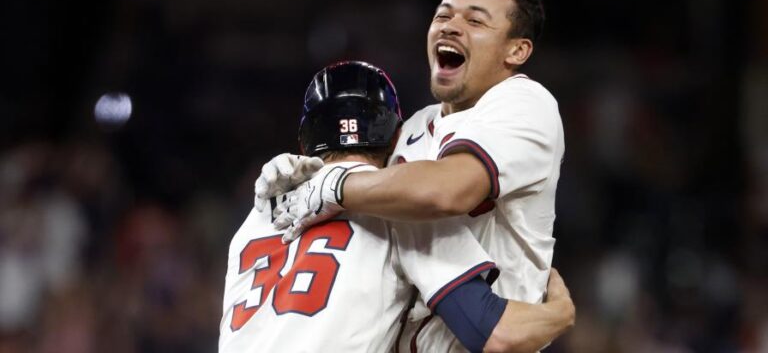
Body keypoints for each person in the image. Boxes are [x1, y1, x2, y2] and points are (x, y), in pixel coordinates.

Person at [255, 0, 565, 352]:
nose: (451, 26)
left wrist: (333, 183)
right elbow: (357, 200)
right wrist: (304, 173)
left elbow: (446, 192)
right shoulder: (413, 126)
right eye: (443, 15)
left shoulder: (526, 103)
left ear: (516, 50)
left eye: (475, 21)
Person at [222, 61, 573, 353]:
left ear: (305, 139)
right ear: (395, 137)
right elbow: (495, 332)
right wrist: (560, 313)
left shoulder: (256, 220)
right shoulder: (403, 208)